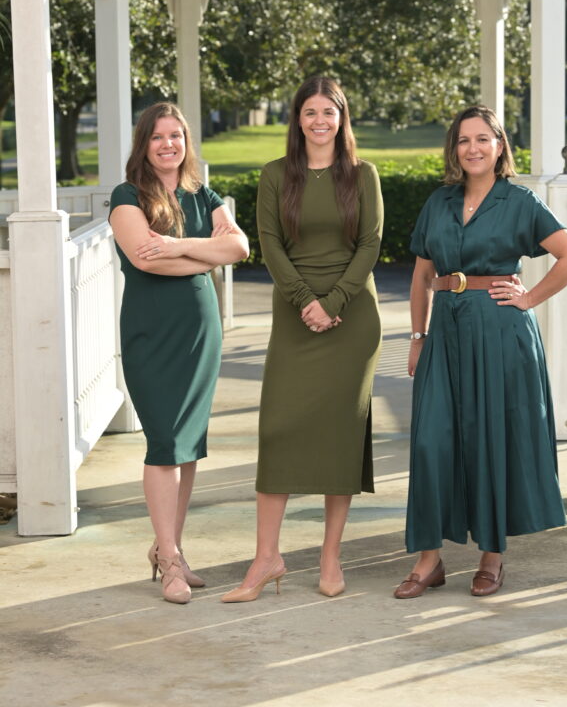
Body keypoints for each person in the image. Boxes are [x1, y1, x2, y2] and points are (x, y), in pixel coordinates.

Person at [394, 105, 567, 601]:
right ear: (454, 149)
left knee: (491, 440)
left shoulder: (519, 201)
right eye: (464, 140)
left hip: (500, 332)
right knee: (431, 441)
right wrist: (417, 337)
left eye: (483, 139)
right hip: (445, 331)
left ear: (500, 146)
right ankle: (429, 559)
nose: (473, 148)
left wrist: (529, 298)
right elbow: (422, 275)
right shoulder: (438, 201)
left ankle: (492, 555)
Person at [222, 76, 383, 603]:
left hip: (351, 319)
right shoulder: (275, 175)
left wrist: (333, 302)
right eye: (309, 112)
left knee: (339, 436)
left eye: (328, 112)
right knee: (278, 431)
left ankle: (330, 557)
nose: (319, 121)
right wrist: (304, 301)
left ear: (342, 118)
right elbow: (269, 244)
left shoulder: (363, 174)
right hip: (294, 317)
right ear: (297, 119)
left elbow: (370, 244)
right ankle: (266, 558)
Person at [109, 102, 249, 604]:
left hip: (199, 332)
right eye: (157, 137)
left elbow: (239, 248)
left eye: (176, 135)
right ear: (143, 145)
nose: (168, 144)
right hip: (152, 332)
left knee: (187, 445)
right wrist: (200, 255)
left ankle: (171, 547)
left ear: (187, 142)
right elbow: (144, 261)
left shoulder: (201, 193)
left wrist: (173, 246)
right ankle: (168, 561)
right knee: (165, 442)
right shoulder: (127, 196)